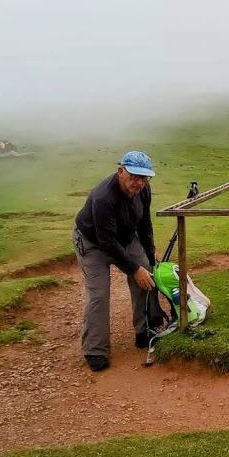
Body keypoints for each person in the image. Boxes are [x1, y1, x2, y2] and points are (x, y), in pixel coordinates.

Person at [73, 151, 163, 372]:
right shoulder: (104, 197)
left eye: (144, 178)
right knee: (99, 294)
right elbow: (106, 243)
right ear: (121, 171)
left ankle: (144, 331)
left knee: (147, 275)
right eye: (133, 176)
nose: (138, 182)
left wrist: (149, 258)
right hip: (93, 242)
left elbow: (144, 225)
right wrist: (134, 269)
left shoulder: (143, 190)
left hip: (125, 236)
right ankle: (95, 350)